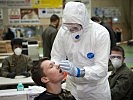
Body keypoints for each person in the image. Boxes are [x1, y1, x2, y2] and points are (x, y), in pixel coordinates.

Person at [51, 1, 111, 100]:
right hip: (72, 85)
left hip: (95, 88)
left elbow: (101, 68)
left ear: (84, 22)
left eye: (75, 27)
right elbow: (56, 56)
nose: (71, 30)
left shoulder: (100, 33)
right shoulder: (63, 31)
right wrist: (57, 69)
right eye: (68, 27)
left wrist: (79, 71)